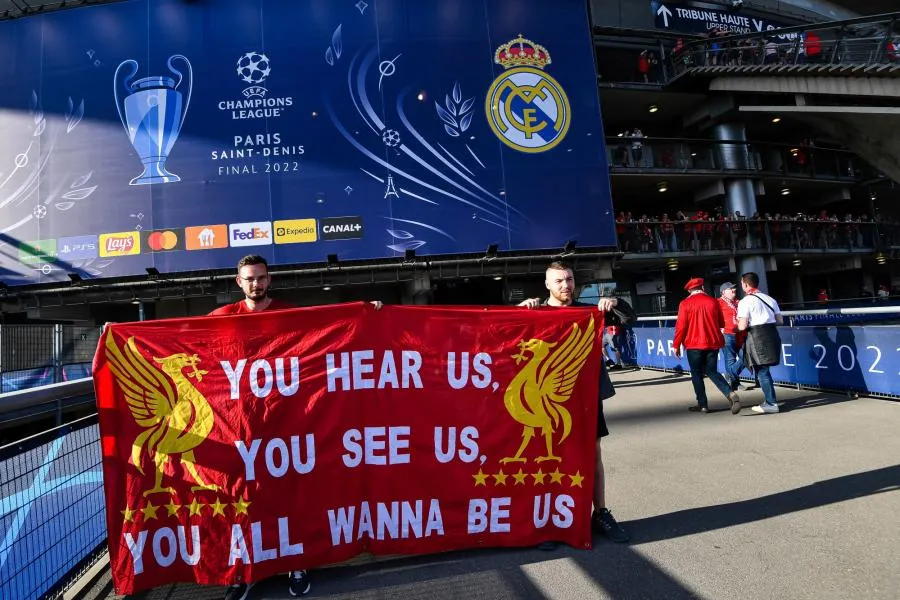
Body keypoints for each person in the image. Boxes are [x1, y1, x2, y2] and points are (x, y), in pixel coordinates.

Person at [211, 255, 382, 600]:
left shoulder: (289, 313)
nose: (255, 284)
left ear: (269, 279)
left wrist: (367, 312)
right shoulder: (221, 319)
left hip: (288, 422)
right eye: (249, 279)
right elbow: (183, 340)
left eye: (260, 278)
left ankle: (297, 562)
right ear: (238, 282)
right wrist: (122, 332)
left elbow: (330, 329)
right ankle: (247, 572)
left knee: (292, 494)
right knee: (248, 498)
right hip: (243, 427)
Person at [518, 262, 633, 543]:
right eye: (558, 281)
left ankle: (600, 513)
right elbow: (504, 335)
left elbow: (629, 318)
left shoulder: (589, 311)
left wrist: (614, 301)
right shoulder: (537, 312)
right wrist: (519, 310)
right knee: (548, 457)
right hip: (545, 400)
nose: (565, 285)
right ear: (547, 285)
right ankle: (550, 520)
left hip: (586, 394)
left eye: (569, 279)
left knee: (593, 453)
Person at [673, 278, 741, 414]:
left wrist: (676, 344)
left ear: (690, 290)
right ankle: (730, 393)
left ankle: (702, 404)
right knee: (712, 371)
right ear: (702, 288)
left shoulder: (685, 303)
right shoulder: (713, 302)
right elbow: (721, 322)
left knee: (696, 374)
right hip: (713, 342)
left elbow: (681, 326)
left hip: (694, 344)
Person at [737, 272, 783, 414]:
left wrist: (737, 324)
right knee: (764, 370)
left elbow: (742, 326)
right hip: (772, 334)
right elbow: (780, 321)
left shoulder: (745, 301)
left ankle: (771, 403)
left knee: (762, 371)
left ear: (745, 284)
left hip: (757, 337)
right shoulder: (770, 299)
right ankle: (769, 400)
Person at [718, 282, 746, 394]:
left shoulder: (737, 302)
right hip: (726, 334)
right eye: (731, 289)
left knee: (746, 357)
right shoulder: (718, 302)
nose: (734, 290)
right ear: (723, 292)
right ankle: (735, 383)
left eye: (734, 289)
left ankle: (730, 375)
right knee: (730, 359)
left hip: (740, 334)